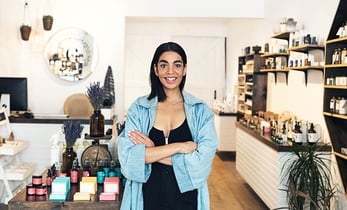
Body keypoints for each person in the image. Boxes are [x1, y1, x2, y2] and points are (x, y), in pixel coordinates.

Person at [117, 41, 218, 210]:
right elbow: (128, 160)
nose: (170, 71)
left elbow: (201, 165)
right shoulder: (139, 108)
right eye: (164, 65)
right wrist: (180, 147)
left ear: (184, 69)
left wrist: (151, 151)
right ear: (156, 69)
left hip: (187, 200)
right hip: (146, 198)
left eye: (177, 65)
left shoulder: (201, 111)